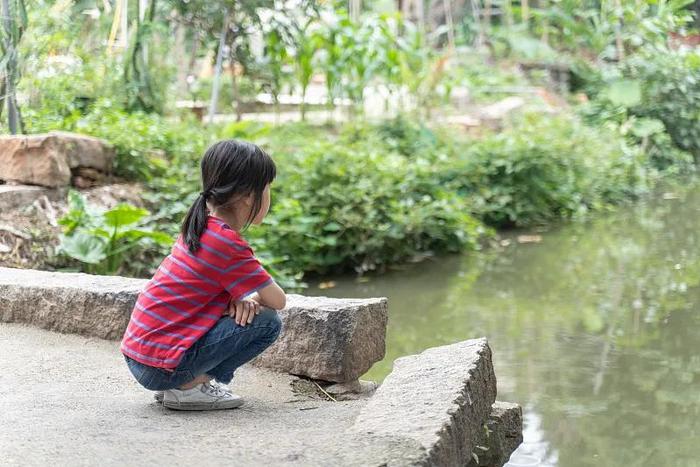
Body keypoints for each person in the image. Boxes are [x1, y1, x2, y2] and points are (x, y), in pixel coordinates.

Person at [121, 139, 287, 411]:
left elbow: (201, 286)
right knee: (267, 322)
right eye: (267, 187)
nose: (269, 195)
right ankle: (188, 388)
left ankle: (181, 384)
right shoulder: (227, 243)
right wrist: (252, 301)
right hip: (159, 367)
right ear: (248, 194)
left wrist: (235, 299)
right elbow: (277, 300)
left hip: (139, 355)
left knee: (253, 313)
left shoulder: (199, 226)